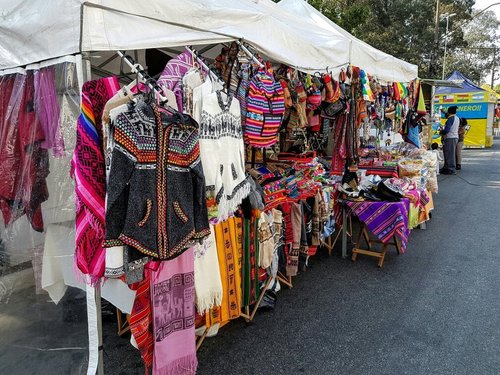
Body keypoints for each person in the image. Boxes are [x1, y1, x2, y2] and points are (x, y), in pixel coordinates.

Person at [440, 106, 460, 175]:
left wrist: (441, 132)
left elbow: (447, 130)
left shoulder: (450, 119)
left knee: (449, 153)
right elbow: (447, 115)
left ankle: (451, 169)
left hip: (450, 137)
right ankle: (446, 167)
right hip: (454, 137)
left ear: (449, 112)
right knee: (449, 153)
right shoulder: (456, 118)